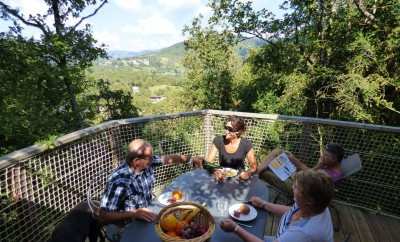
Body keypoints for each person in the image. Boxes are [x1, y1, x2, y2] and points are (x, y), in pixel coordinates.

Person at [220, 169, 335, 242]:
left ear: (309, 200)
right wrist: (264, 204)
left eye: (296, 188)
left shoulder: (302, 233)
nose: (292, 188)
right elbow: (292, 210)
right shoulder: (317, 207)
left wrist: (235, 228)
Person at [99, 139, 195, 224]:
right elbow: (104, 215)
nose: (153, 159)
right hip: (128, 225)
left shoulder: (147, 163)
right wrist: (134, 213)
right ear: (137, 161)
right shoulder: (119, 181)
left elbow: (168, 159)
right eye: (149, 157)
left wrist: (191, 159)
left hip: (149, 214)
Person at [257, 143, 344, 196]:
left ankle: (257, 172)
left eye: (325, 155)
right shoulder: (329, 165)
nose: (322, 156)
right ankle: (258, 170)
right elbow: (310, 174)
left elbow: (308, 175)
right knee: (278, 151)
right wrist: (293, 160)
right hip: (301, 179)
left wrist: (319, 165)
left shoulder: (330, 176)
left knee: (265, 172)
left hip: (300, 190)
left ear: (334, 159)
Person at [205, 116, 257, 181]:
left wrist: (248, 173)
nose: (226, 131)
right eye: (225, 128)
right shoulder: (218, 140)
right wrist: (215, 170)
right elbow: (208, 162)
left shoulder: (246, 144)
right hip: (222, 176)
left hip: (239, 178)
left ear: (238, 131)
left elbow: (253, 166)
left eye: (230, 129)